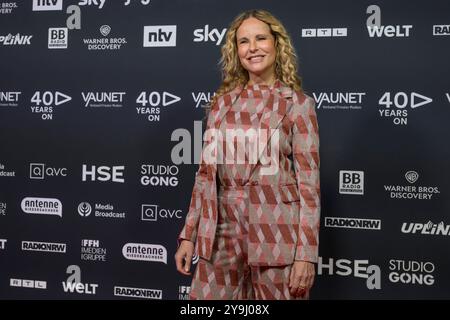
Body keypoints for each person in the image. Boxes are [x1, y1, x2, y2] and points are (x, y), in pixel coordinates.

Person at [175, 9, 320, 300]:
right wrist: (188, 234)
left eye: (260, 38)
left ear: (277, 44)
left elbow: (309, 187)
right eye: (244, 41)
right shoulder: (221, 104)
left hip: (276, 231)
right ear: (235, 50)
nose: (252, 47)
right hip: (220, 231)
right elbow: (205, 175)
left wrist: (306, 254)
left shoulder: (298, 104)